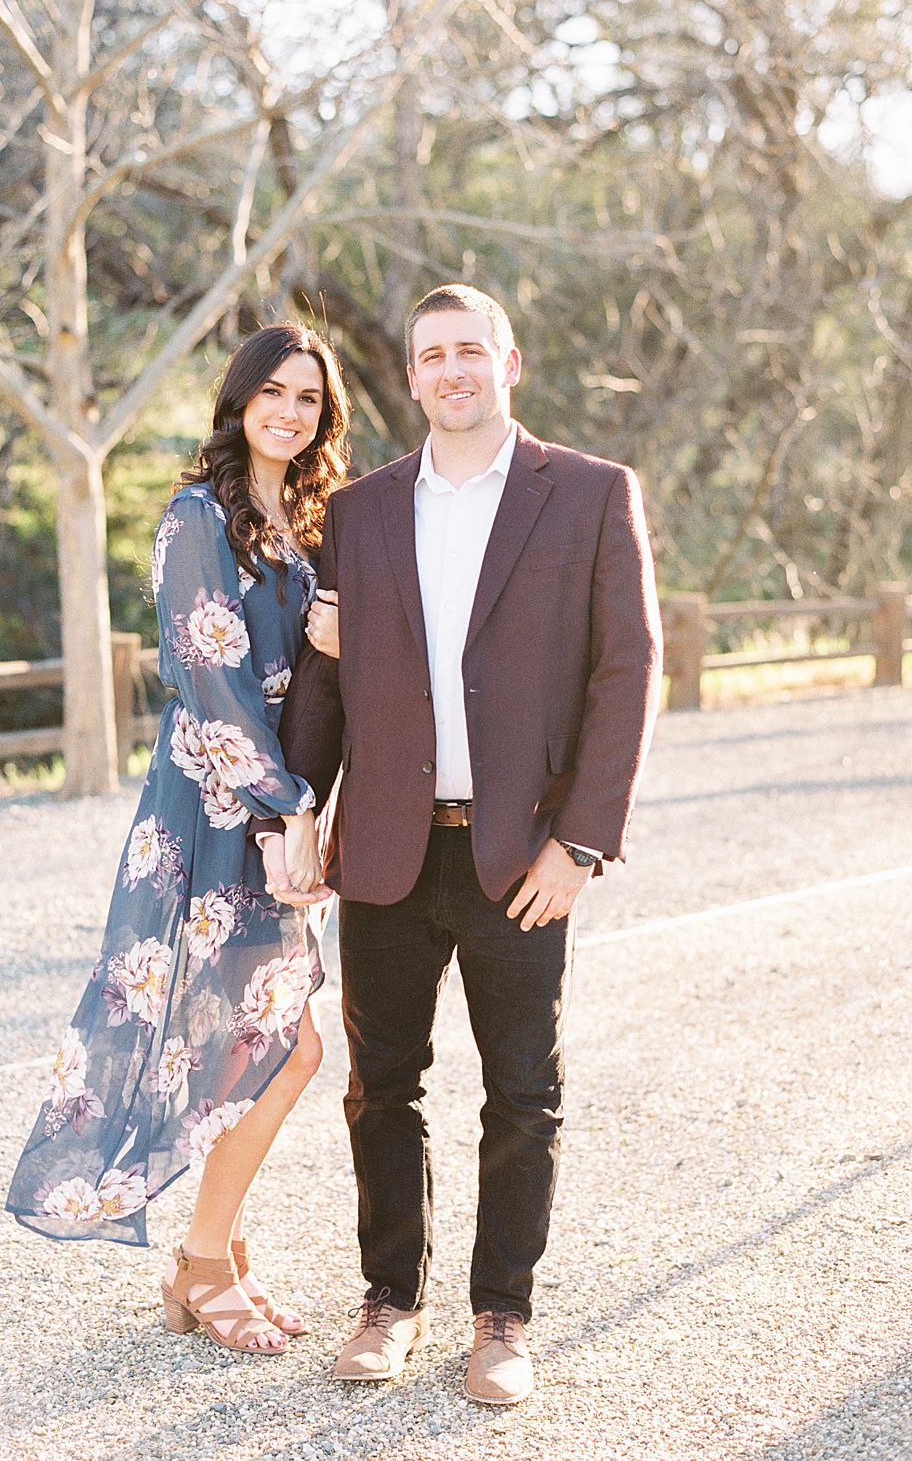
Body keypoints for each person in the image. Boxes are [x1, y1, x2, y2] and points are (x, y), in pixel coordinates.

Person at [283, 283, 661, 1405]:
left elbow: (626, 672)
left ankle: (501, 1316)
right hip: (388, 853)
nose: (450, 370)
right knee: (380, 1086)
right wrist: (299, 806)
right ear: (408, 377)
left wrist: (580, 844)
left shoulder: (589, 494)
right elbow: (327, 676)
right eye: (430, 355)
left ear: (509, 362)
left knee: (522, 1093)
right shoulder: (358, 511)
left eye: (469, 351)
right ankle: (388, 1301)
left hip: (521, 859)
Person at [4, 323, 349, 1355]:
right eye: (273, 393)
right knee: (275, 1042)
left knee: (253, 1039)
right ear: (238, 400)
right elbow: (212, 680)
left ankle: (218, 1255)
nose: (289, 412)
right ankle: (204, 1262)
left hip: (280, 804)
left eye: (308, 399)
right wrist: (286, 807)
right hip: (215, 807)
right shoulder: (198, 518)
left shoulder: (311, 520)